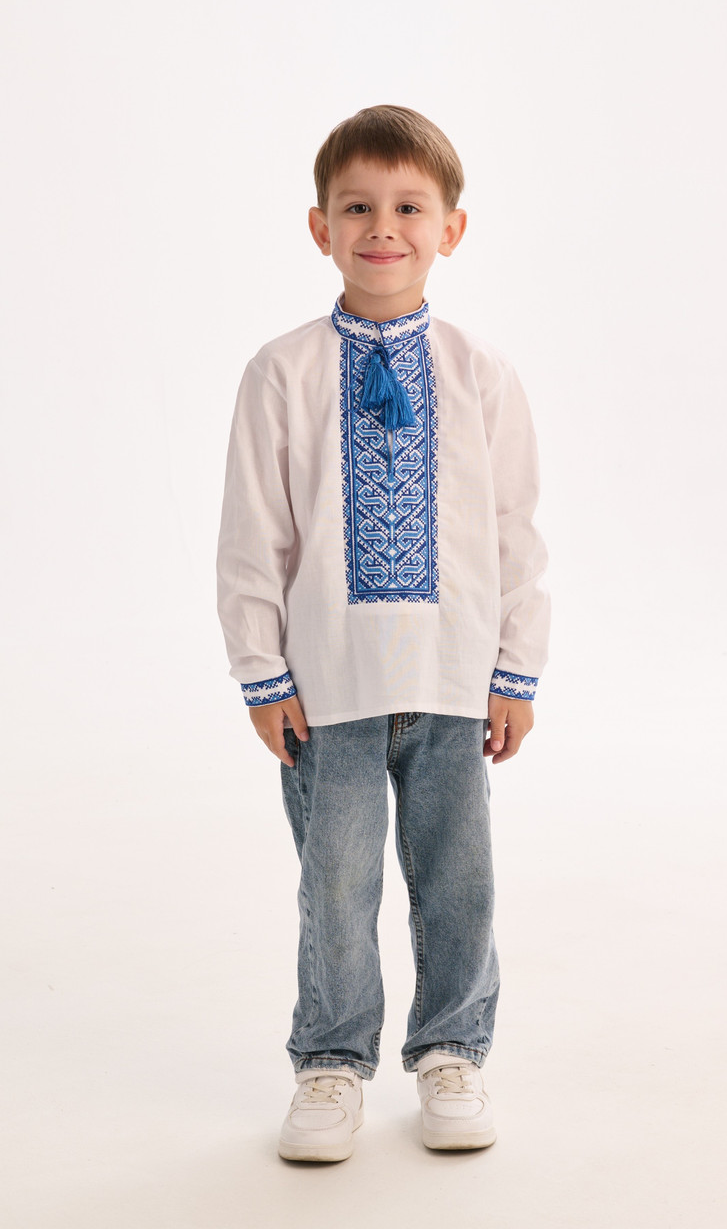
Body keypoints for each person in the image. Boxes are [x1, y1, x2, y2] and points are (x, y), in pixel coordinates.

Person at [216, 105, 550, 1162]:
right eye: (357, 207)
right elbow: (253, 536)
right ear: (321, 227)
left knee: (458, 880)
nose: (383, 227)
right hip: (329, 687)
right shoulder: (282, 371)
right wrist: (262, 673)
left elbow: (515, 529)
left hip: (454, 679)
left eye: (409, 207)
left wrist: (516, 668)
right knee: (337, 883)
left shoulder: (480, 370)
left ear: (452, 227)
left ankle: (451, 1048)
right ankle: (329, 1060)